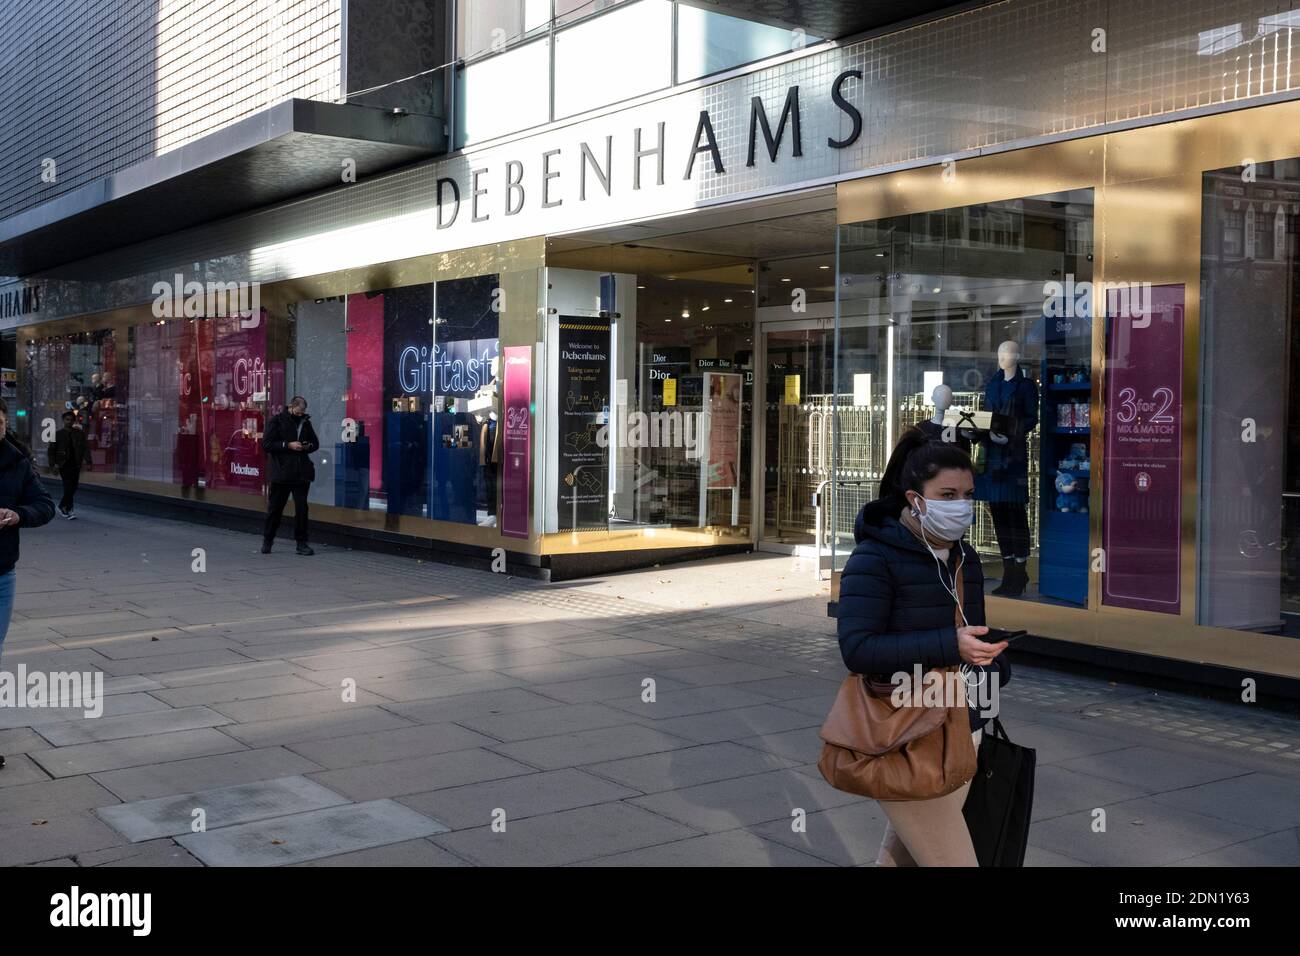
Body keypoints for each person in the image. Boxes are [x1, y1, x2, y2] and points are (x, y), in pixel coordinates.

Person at [837, 430, 1012, 866]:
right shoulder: (874, 558)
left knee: (902, 861)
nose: (961, 506)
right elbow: (857, 649)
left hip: (962, 728)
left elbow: (972, 631)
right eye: (947, 494)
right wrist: (949, 645)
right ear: (916, 499)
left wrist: (992, 660)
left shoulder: (964, 559)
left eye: (968, 494)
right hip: (903, 734)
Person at [0, 403, 56, 771]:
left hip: (2, 574)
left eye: (0, 421)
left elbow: (44, 505)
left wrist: (19, 514)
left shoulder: (15, 461)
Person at [261, 396, 318, 555]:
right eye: (298, 412)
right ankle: (268, 540)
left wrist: (306, 446)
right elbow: (266, 444)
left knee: (302, 509)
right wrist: (288, 445)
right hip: (282, 473)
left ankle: (301, 543)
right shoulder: (277, 421)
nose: (300, 415)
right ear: (291, 407)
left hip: (301, 474)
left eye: (303, 413)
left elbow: (315, 443)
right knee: (275, 509)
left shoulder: (305, 422)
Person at [50, 410, 91, 518]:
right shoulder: (57, 434)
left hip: (75, 463)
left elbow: (85, 447)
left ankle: (65, 506)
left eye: (71, 420)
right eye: (67, 420)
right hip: (63, 463)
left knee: (74, 486)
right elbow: (51, 450)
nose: (69, 422)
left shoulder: (79, 434)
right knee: (68, 486)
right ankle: (67, 508)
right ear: (63, 420)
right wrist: (53, 464)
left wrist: (88, 460)